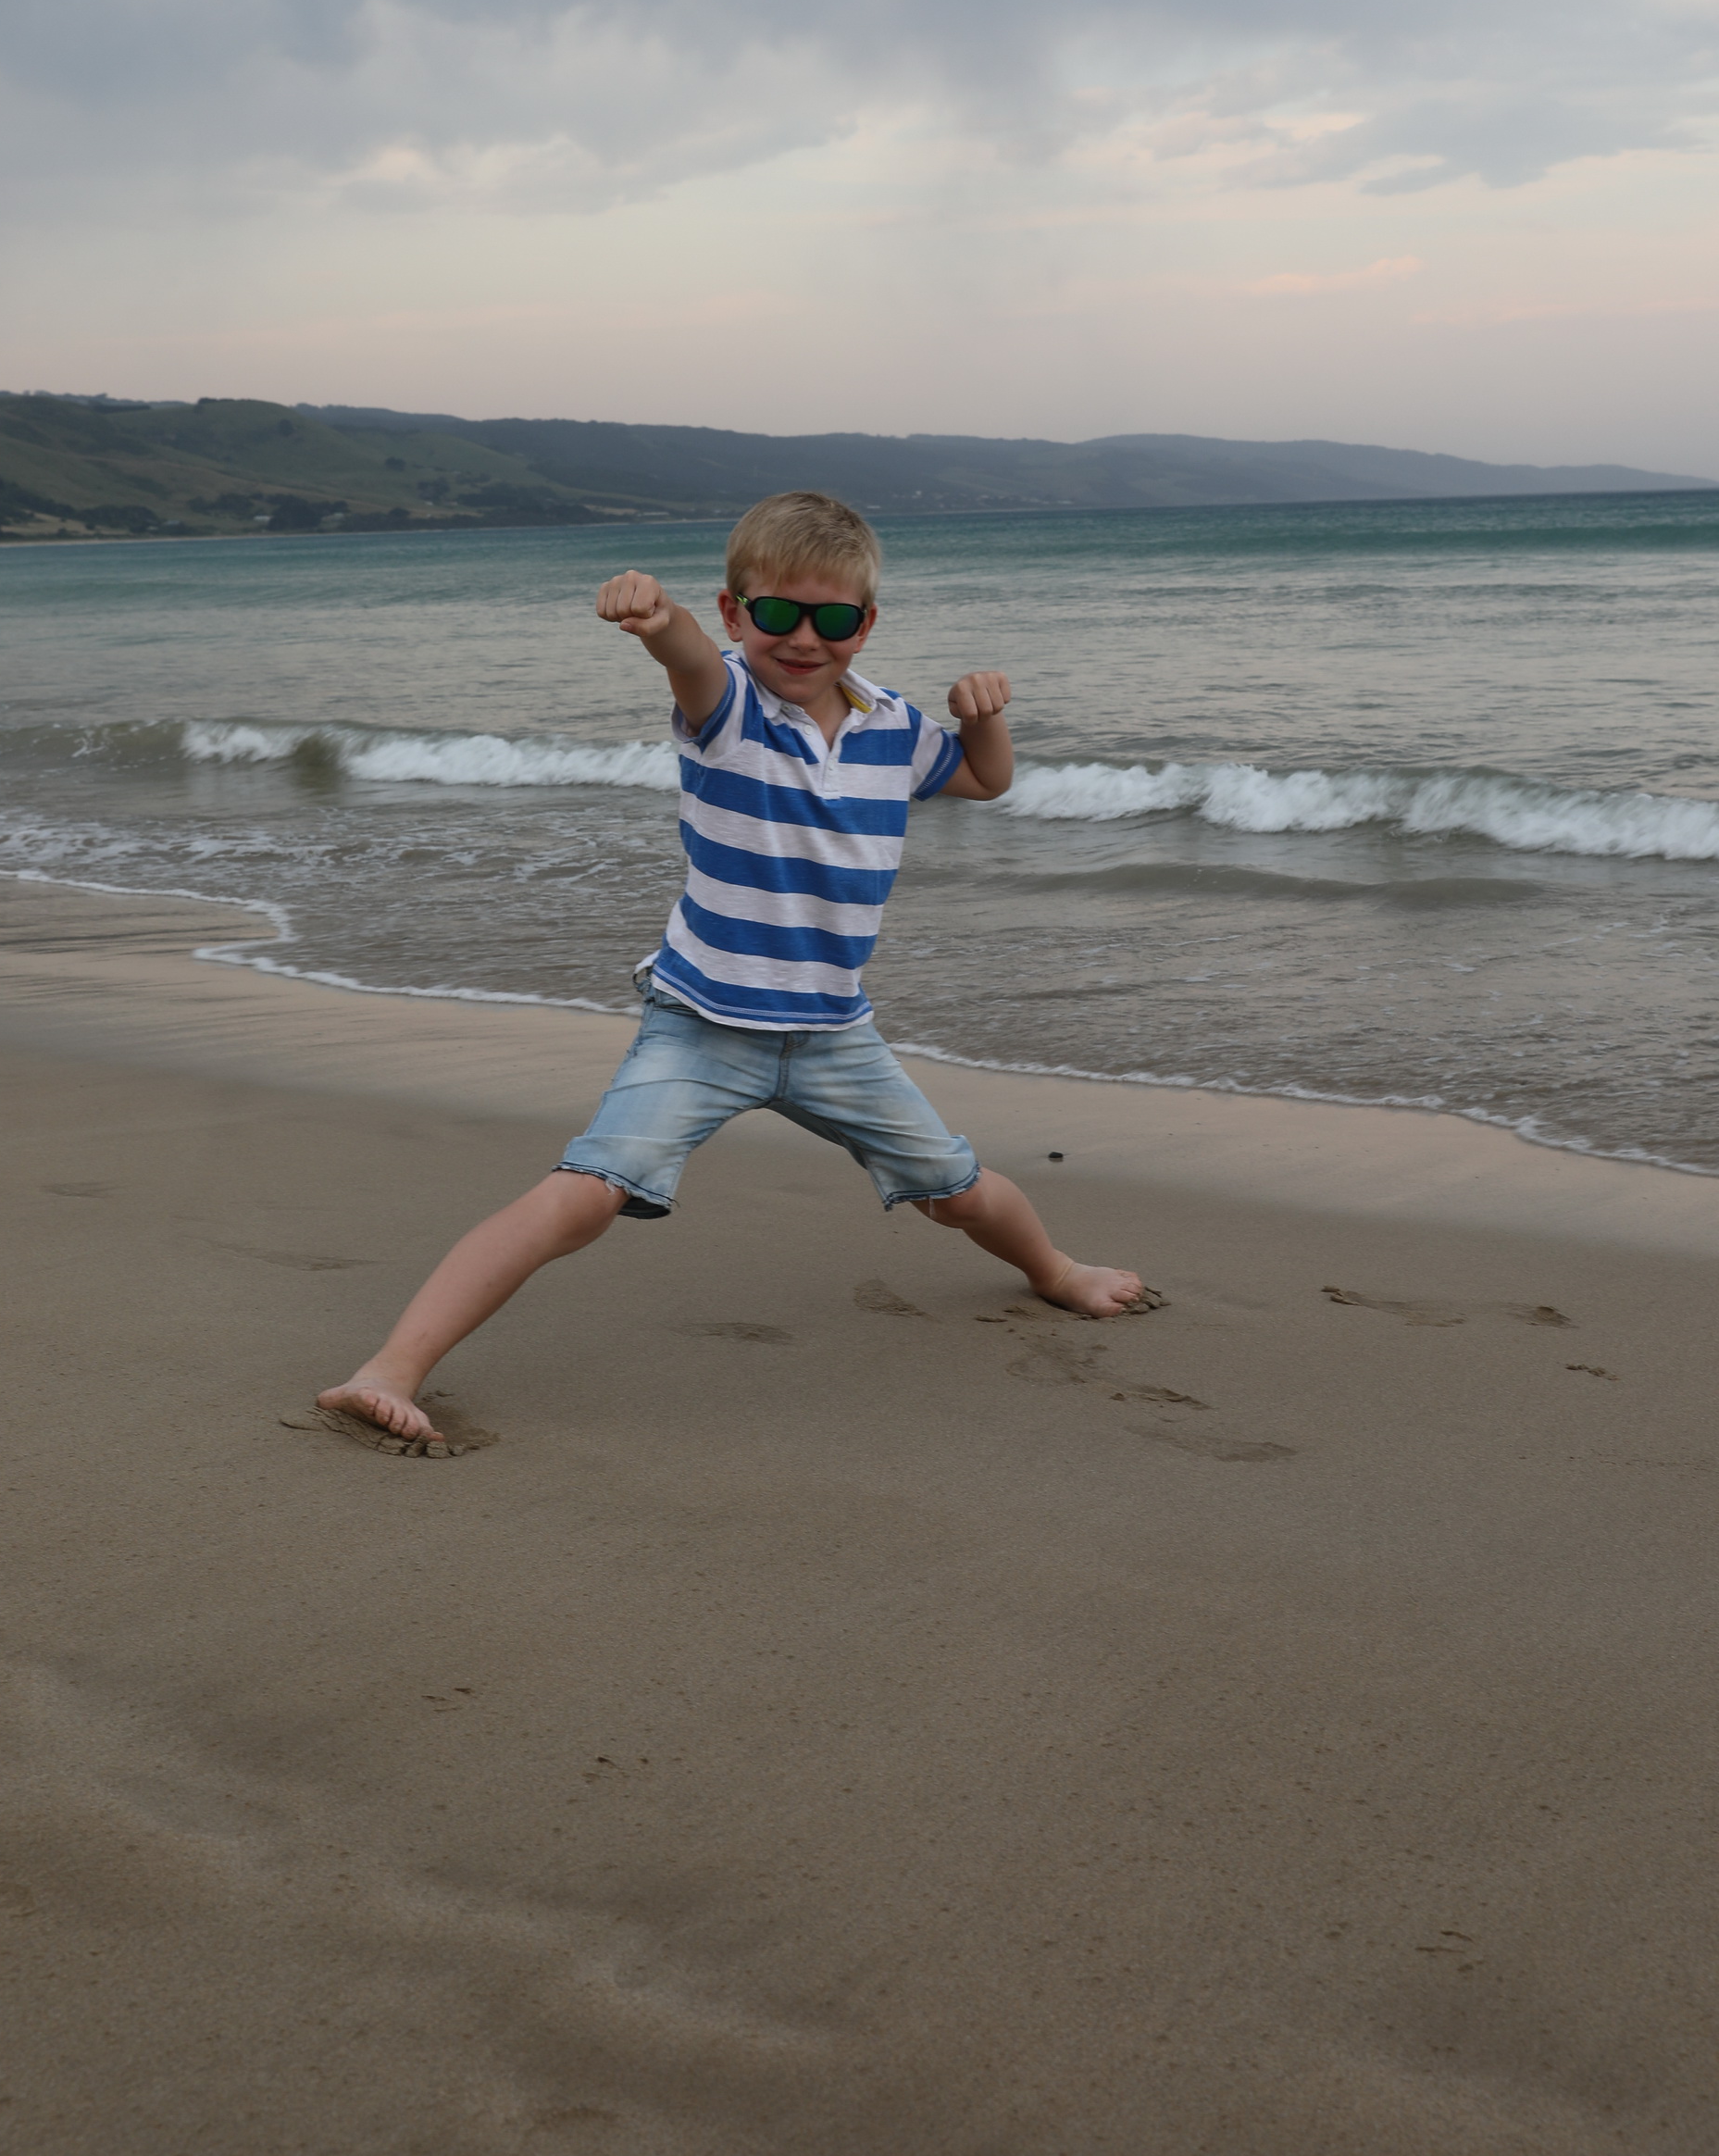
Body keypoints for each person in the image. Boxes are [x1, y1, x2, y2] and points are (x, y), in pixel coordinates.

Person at [318, 491, 1154, 1452]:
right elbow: (682, 655)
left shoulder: (893, 723)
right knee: (585, 1193)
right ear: (734, 612)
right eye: (777, 613)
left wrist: (984, 717)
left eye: (832, 619)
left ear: (866, 623)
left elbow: (982, 778)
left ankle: (1055, 1271)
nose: (803, 638)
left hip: (834, 1034)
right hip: (702, 1022)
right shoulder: (728, 706)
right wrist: (654, 615)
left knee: (954, 1188)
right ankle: (389, 1370)